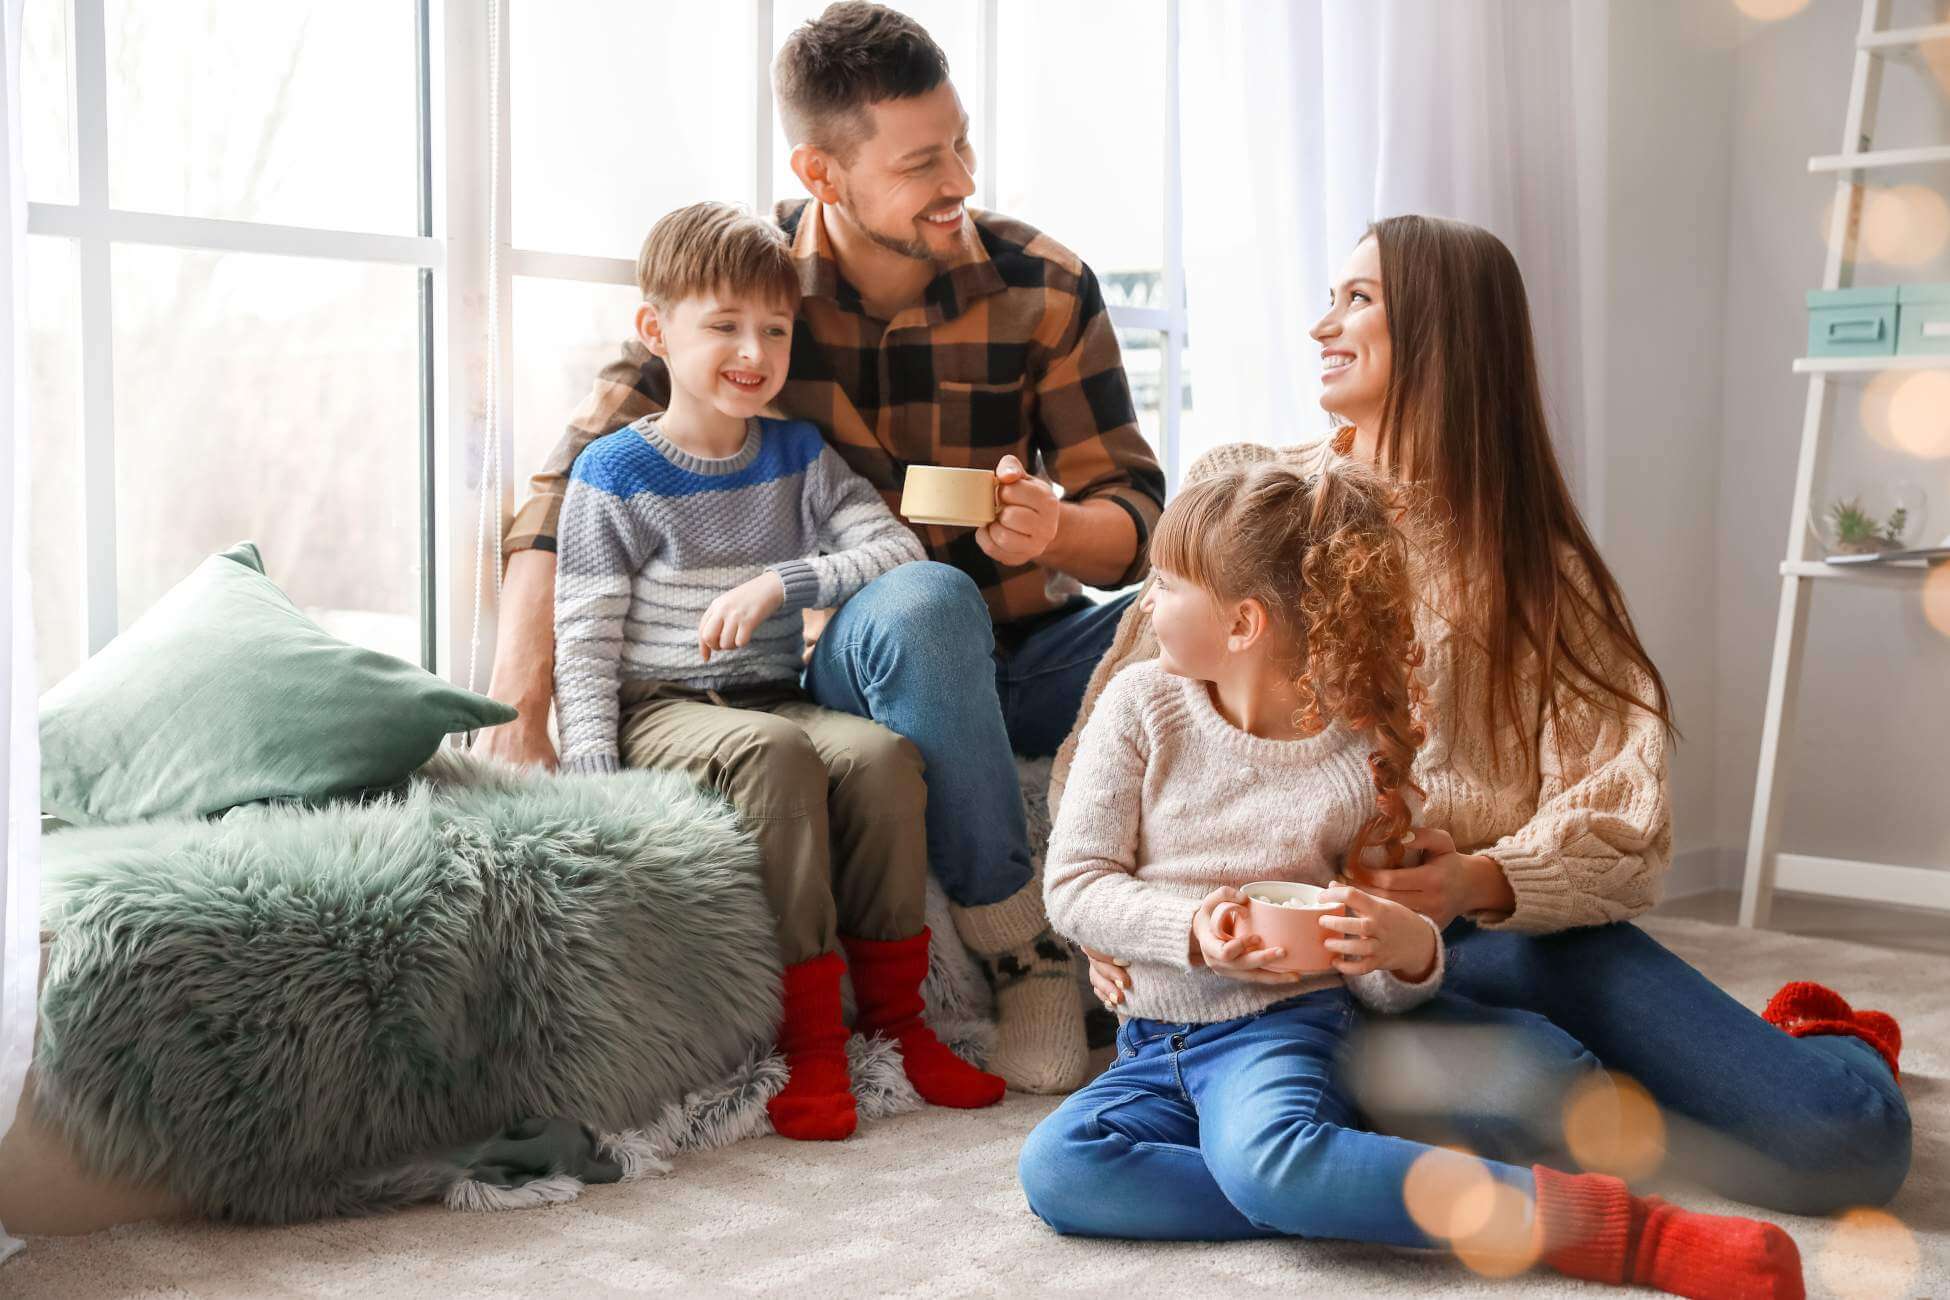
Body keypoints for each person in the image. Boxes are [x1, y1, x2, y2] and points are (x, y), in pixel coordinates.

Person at [1067, 214, 1910, 1215]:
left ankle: (1826, 1033)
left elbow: (1626, 822)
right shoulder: (1255, 498)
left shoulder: (1537, 572)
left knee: (1842, 1147)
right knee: (1562, 1122)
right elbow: (1118, 741)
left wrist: (1471, 877)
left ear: (1443, 331)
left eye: (1359, 299)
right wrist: (1129, 927)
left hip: (1490, 937)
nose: (1321, 325)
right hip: (1300, 984)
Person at [483, 2, 1165, 1094]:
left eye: (962, 142)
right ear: (824, 170)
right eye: (923, 161)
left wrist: (1057, 524)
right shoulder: (746, 292)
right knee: (931, 596)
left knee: (1190, 622)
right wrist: (525, 706)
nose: (961, 179)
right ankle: (1022, 945)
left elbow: (1134, 511)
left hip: (1031, 656)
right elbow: (569, 481)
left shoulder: (1045, 286)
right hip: (869, 657)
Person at [1020, 461, 1805, 1300]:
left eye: (1167, 584)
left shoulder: (1362, 759)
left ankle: (1605, 1230)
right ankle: (1332, 1180)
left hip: (1279, 1035)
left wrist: (1405, 951)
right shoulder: (1139, 705)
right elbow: (1075, 885)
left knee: (1272, 1159)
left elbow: (1384, 977)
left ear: (1243, 621)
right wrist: (1187, 931)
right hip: (1150, 1041)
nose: (1146, 601)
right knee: (1061, 1173)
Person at [554, 201, 1004, 1141]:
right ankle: (812, 1048)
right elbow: (587, 645)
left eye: (774, 329)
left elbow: (892, 547)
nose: (752, 351)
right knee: (776, 757)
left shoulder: (797, 454)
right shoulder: (612, 472)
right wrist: (592, 789)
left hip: (774, 693)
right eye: (723, 326)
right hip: (664, 706)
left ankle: (901, 1024)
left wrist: (782, 581)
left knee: (880, 757)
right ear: (657, 332)